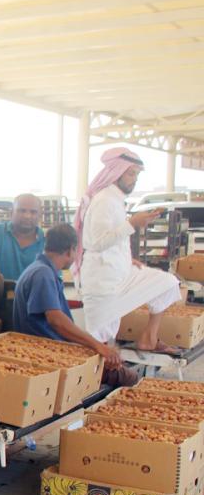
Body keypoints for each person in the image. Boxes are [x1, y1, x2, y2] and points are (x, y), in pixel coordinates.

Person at [74, 147, 181, 351]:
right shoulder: (105, 200)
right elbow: (94, 243)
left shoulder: (115, 199)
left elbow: (113, 239)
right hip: (103, 280)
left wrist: (126, 258)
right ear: (116, 172)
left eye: (137, 174)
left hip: (119, 272)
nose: (134, 179)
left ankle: (149, 338)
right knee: (99, 337)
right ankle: (94, 376)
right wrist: (133, 223)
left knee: (167, 283)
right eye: (131, 173)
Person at [13, 224, 138, 386]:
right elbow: (56, 321)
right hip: (46, 353)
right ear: (70, 250)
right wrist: (98, 346)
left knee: (117, 363)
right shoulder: (43, 274)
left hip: (50, 348)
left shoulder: (39, 269)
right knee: (129, 377)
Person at [0, 193, 45, 281]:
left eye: (33, 212)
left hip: (35, 294)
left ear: (40, 216)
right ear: (11, 213)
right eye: (22, 211)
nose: (27, 216)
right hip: (1, 293)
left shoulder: (47, 240)